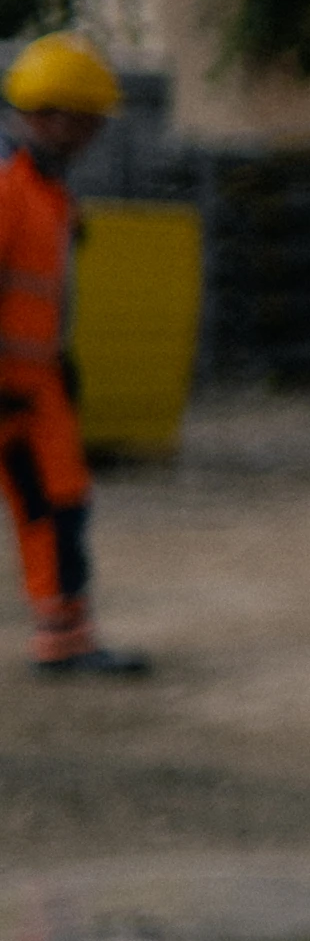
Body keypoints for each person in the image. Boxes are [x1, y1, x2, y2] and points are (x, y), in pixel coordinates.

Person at [4, 33, 145, 679]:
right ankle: (63, 636)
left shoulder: (52, 197)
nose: (93, 132)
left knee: (61, 507)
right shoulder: (10, 195)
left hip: (40, 386)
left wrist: (59, 361)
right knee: (49, 507)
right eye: (86, 118)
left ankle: (66, 635)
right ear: (50, 114)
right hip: (12, 392)